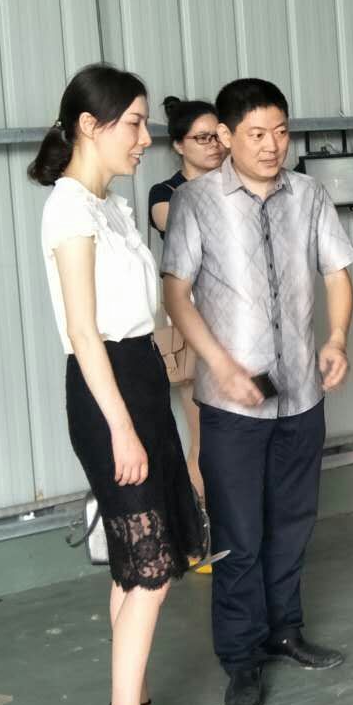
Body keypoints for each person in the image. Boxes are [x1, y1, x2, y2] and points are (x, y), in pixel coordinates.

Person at [31, 63, 207, 705]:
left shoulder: (112, 206)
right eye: (133, 123)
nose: (144, 139)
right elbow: (83, 331)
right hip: (107, 394)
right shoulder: (69, 209)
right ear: (89, 125)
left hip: (140, 381)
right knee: (152, 570)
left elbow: (135, 321)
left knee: (137, 566)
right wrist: (123, 428)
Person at [161, 77, 353, 705]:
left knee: (292, 524)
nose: (272, 145)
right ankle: (241, 659)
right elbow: (176, 294)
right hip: (232, 406)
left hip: (301, 394)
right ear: (226, 136)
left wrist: (337, 338)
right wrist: (221, 365)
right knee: (239, 536)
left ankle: (285, 632)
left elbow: (337, 271)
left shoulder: (309, 194)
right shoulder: (195, 202)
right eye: (256, 134)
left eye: (281, 131)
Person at [148, 96, 225, 518]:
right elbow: (188, 233)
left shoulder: (238, 182)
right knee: (205, 435)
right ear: (179, 145)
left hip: (243, 323)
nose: (214, 146)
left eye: (218, 136)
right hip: (194, 321)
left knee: (250, 430)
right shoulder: (165, 194)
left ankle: (247, 527)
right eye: (202, 138)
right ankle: (207, 530)